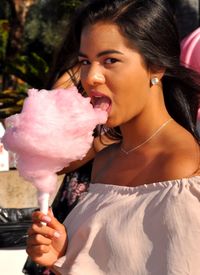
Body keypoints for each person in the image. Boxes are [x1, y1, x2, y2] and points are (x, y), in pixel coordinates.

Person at [26, 0, 200, 274]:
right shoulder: (104, 160)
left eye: (110, 60)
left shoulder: (183, 168)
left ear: (155, 67)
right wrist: (63, 255)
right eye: (85, 61)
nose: (90, 77)